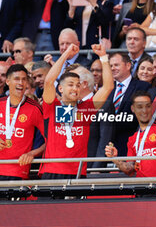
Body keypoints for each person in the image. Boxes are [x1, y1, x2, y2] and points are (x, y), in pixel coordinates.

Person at [39, 43, 114, 178]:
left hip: (77, 173)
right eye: (70, 85)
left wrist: (103, 57)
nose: (75, 88)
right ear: (60, 89)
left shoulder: (86, 109)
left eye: (78, 85)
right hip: (51, 171)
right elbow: (49, 81)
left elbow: (108, 86)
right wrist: (66, 54)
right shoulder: (53, 106)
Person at [0, 64, 45, 181]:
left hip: (18, 171)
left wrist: (32, 154)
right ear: (8, 81)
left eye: (24, 79)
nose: (21, 82)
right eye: (16, 79)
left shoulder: (35, 108)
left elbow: (50, 140)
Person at [105, 90, 156, 177]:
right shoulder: (133, 139)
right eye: (139, 107)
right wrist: (114, 158)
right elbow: (129, 169)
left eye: (148, 106)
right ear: (133, 109)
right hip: (141, 187)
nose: (144, 111)